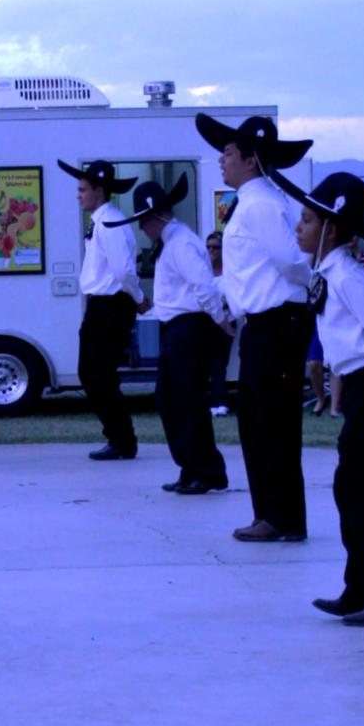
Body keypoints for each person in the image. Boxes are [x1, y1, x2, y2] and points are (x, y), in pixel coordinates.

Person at [265, 165, 364, 624]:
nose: (299, 227)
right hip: (360, 387)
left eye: (308, 221)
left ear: (331, 230)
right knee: (350, 490)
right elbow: (341, 343)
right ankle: (360, 587)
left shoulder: (352, 278)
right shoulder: (328, 273)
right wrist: (338, 390)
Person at [198, 112, 313, 544]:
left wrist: (313, 286)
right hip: (264, 325)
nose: (221, 160)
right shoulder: (253, 202)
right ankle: (275, 514)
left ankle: (278, 516)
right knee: (260, 421)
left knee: (271, 423)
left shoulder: (262, 204)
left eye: (228, 153)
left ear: (250, 159)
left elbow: (289, 261)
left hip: (276, 325)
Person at [110, 176, 230, 494]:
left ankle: (204, 470)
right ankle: (192, 466)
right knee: (172, 399)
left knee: (186, 400)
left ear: (156, 216)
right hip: (179, 327)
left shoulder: (182, 243)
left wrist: (219, 320)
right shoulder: (173, 243)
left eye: (144, 221)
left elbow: (203, 286)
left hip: (189, 327)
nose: (143, 228)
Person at [59, 157, 142, 460]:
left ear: (99, 190)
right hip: (101, 305)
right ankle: (119, 436)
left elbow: (123, 270)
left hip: (110, 306)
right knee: (94, 374)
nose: (78, 194)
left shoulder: (110, 224)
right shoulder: (101, 222)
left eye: (83, 189)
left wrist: (137, 296)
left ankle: (122, 439)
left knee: (98, 375)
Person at [204, 230, 230, 419]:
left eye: (216, 247)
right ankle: (214, 400)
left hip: (226, 322)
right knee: (211, 363)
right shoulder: (203, 271)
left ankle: (220, 400)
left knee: (219, 362)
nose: (211, 250)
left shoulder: (230, 272)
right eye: (209, 247)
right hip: (207, 322)